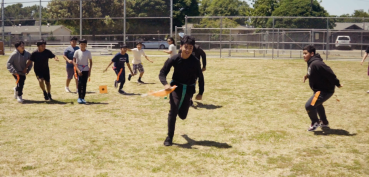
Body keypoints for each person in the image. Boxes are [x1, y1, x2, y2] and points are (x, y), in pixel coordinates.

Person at [159, 35, 205, 146]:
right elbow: (162, 73)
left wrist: (200, 92)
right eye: (186, 47)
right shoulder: (174, 58)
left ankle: (186, 102)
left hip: (189, 88)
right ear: (181, 47)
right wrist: (165, 84)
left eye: (190, 47)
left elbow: (201, 77)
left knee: (183, 116)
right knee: (173, 110)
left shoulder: (195, 61)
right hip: (175, 87)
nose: (188, 50)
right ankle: (169, 137)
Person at [302, 45, 343, 131]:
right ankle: (324, 122)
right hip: (319, 90)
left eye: (306, 53)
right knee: (318, 105)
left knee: (309, 106)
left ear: (312, 53)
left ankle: (315, 122)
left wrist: (337, 83)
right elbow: (313, 71)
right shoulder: (311, 62)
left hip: (324, 91)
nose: (303, 55)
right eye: (303, 53)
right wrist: (307, 76)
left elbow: (330, 73)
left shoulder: (317, 63)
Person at [73, 39, 92, 104]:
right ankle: (79, 97)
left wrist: (90, 71)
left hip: (86, 70)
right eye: (81, 44)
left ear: (86, 45)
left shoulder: (88, 52)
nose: (83, 45)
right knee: (79, 83)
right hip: (79, 69)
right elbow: (74, 61)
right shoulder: (77, 51)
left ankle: (83, 98)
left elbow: (91, 62)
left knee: (84, 84)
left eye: (84, 44)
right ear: (79, 45)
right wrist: (78, 70)